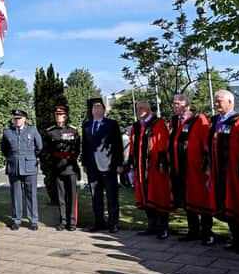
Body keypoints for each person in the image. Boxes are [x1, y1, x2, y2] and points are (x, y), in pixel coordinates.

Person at [207, 90, 239, 254]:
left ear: (230, 102)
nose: (216, 104)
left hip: (236, 172)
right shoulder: (217, 122)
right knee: (227, 205)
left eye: (219, 101)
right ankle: (237, 239)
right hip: (221, 172)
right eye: (215, 101)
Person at [168, 94, 214, 245]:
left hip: (197, 168)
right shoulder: (174, 121)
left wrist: (206, 164)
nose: (175, 106)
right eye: (174, 103)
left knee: (202, 200)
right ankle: (193, 231)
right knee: (187, 199)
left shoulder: (198, 119)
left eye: (178, 103)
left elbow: (206, 142)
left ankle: (207, 233)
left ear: (186, 105)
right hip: (179, 167)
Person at [128, 100, 173, 239]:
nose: (139, 110)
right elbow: (132, 145)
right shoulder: (136, 126)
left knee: (159, 195)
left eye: (142, 108)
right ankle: (152, 226)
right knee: (145, 196)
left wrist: (161, 161)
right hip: (141, 168)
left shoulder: (158, 123)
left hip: (155, 167)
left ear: (149, 109)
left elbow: (163, 142)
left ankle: (163, 227)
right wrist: (130, 163)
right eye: (137, 108)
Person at [81, 98, 124, 233]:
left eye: (99, 107)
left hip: (108, 165)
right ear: (91, 110)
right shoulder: (87, 125)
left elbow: (118, 145)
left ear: (104, 110)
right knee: (96, 196)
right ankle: (99, 222)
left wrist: (119, 163)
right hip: (92, 167)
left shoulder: (111, 124)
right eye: (94, 107)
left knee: (111, 196)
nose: (97, 109)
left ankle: (113, 223)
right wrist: (84, 163)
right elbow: (85, 145)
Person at [1, 109, 43, 231]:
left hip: (29, 167)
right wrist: (12, 158)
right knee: (16, 195)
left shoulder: (32, 130)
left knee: (31, 195)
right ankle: (16, 220)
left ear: (24, 119)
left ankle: (33, 220)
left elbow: (39, 147)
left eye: (19, 118)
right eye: (15, 118)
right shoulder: (8, 132)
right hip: (14, 167)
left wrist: (30, 157)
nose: (17, 120)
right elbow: (4, 148)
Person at [45, 105, 81, 231]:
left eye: (61, 115)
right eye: (56, 115)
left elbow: (77, 149)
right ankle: (63, 221)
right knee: (60, 196)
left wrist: (70, 159)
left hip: (70, 167)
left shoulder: (73, 131)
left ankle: (72, 222)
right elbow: (48, 150)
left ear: (65, 116)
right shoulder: (50, 132)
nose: (58, 117)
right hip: (57, 167)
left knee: (71, 196)